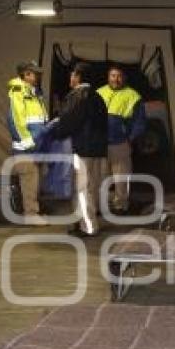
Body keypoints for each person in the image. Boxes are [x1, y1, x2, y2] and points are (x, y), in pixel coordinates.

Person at [51, 62, 108, 236]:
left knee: (82, 190)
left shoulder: (77, 96)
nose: (70, 78)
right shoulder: (98, 97)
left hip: (82, 149)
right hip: (98, 150)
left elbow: (68, 122)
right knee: (91, 187)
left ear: (78, 77)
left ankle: (88, 227)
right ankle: (86, 222)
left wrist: (55, 131)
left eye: (72, 75)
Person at [97, 65, 146, 213]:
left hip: (120, 144)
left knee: (121, 178)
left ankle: (120, 205)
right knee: (99, 177)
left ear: (124, 78)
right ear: (108, 77)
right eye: (112, 75)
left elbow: (139, 122)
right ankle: (100, 205)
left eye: (119, 76)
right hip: (100, 144)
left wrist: (130, 139)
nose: (115, 79)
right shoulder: (99, 93)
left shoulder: (133, 96)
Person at [7, 60, 48, 226]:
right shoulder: (18, 92)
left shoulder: (33, 93)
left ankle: (32, 210)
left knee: (34, 181)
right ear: (25, 74)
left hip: (36, 147)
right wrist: (28, 142)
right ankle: (30, 214)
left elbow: (40, 119)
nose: (37, 76)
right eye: (34, 73)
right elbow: (15, 120)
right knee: (29, 180)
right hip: (26, 148)